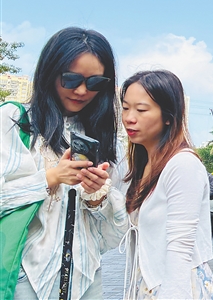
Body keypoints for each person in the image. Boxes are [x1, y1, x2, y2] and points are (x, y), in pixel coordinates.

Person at [1, 27, 129, 299]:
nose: (82, 90)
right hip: (24, 276)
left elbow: (115, 234)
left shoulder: (105, 140)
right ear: (49, 72)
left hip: (86, 279)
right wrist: (51, 178)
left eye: (95, 83)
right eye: (71, 79)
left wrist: (97, 198)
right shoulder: (15, 122)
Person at [120, 70, 213, 298]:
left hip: (177, 286)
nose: (129, 118)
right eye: (125, 108)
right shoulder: (143, 165)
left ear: (168, 116)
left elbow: (180, 248)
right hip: (148, 283)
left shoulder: (182, 165)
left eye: (141, 110)